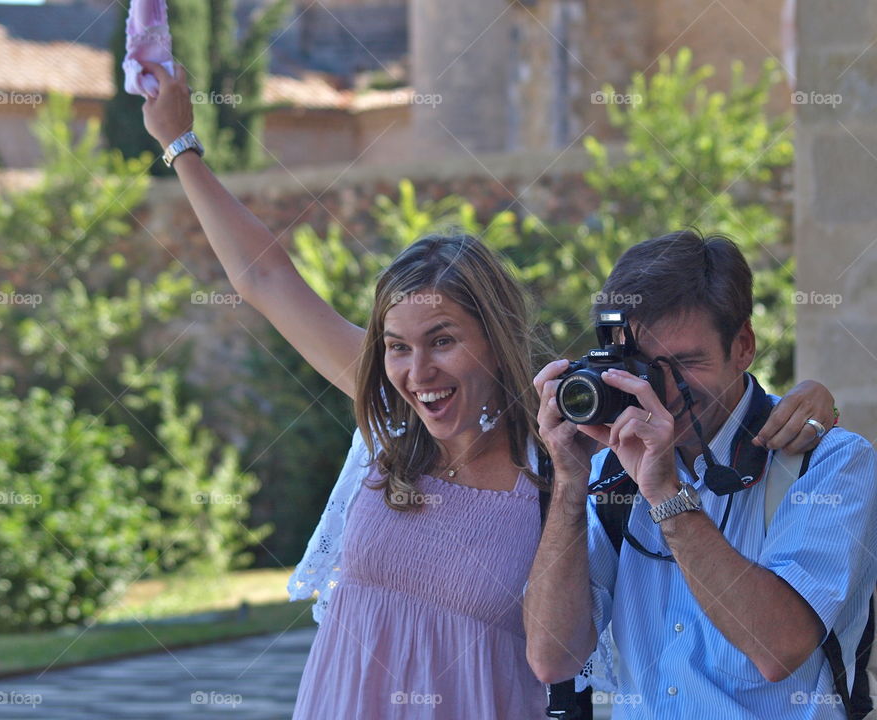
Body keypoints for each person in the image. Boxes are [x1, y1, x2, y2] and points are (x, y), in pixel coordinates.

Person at [139, 63, 837, 717]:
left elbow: (683, 401)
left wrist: (796, 402)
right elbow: (264, 279)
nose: (419, 372)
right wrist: (181, 145)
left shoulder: (565, 463)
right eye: (398, 347)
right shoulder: (389, 421)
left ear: (495, 334)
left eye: (444, 340)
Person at [525, 230, 877, 719]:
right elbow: (552, 658)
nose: (665, 391)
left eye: (687, 363)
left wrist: (665, 494)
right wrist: (568, 478)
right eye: (646, 366)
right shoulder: (608, 468)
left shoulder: (830, 461)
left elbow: (778, 648)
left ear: (744, 345)